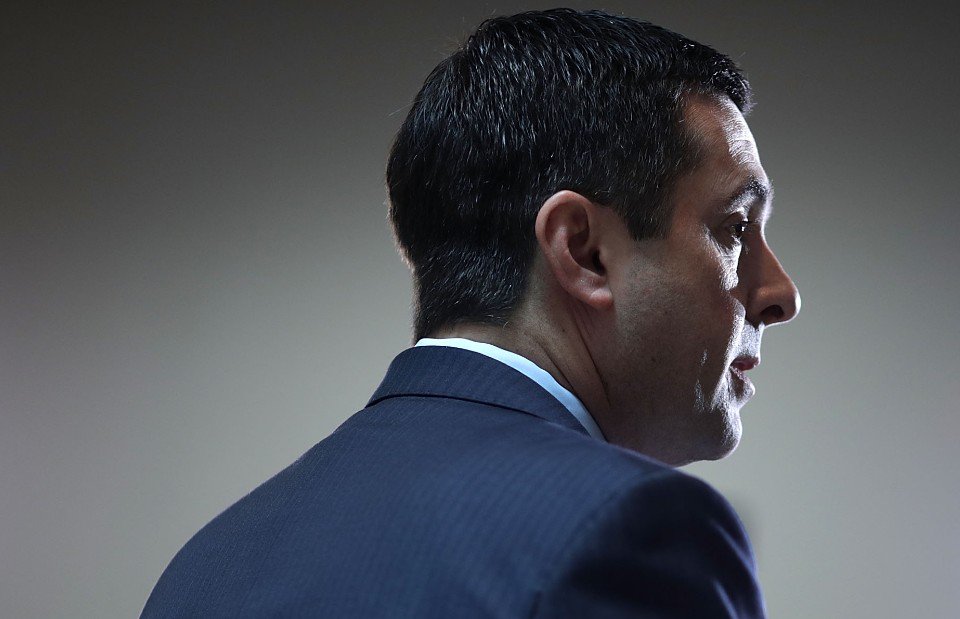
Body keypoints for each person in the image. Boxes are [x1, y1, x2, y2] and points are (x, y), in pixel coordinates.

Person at [142, 8, 799, 618]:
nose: (780, 293)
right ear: (584, 251)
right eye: (736, 228)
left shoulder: (205, 566)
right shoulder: (631, 532)